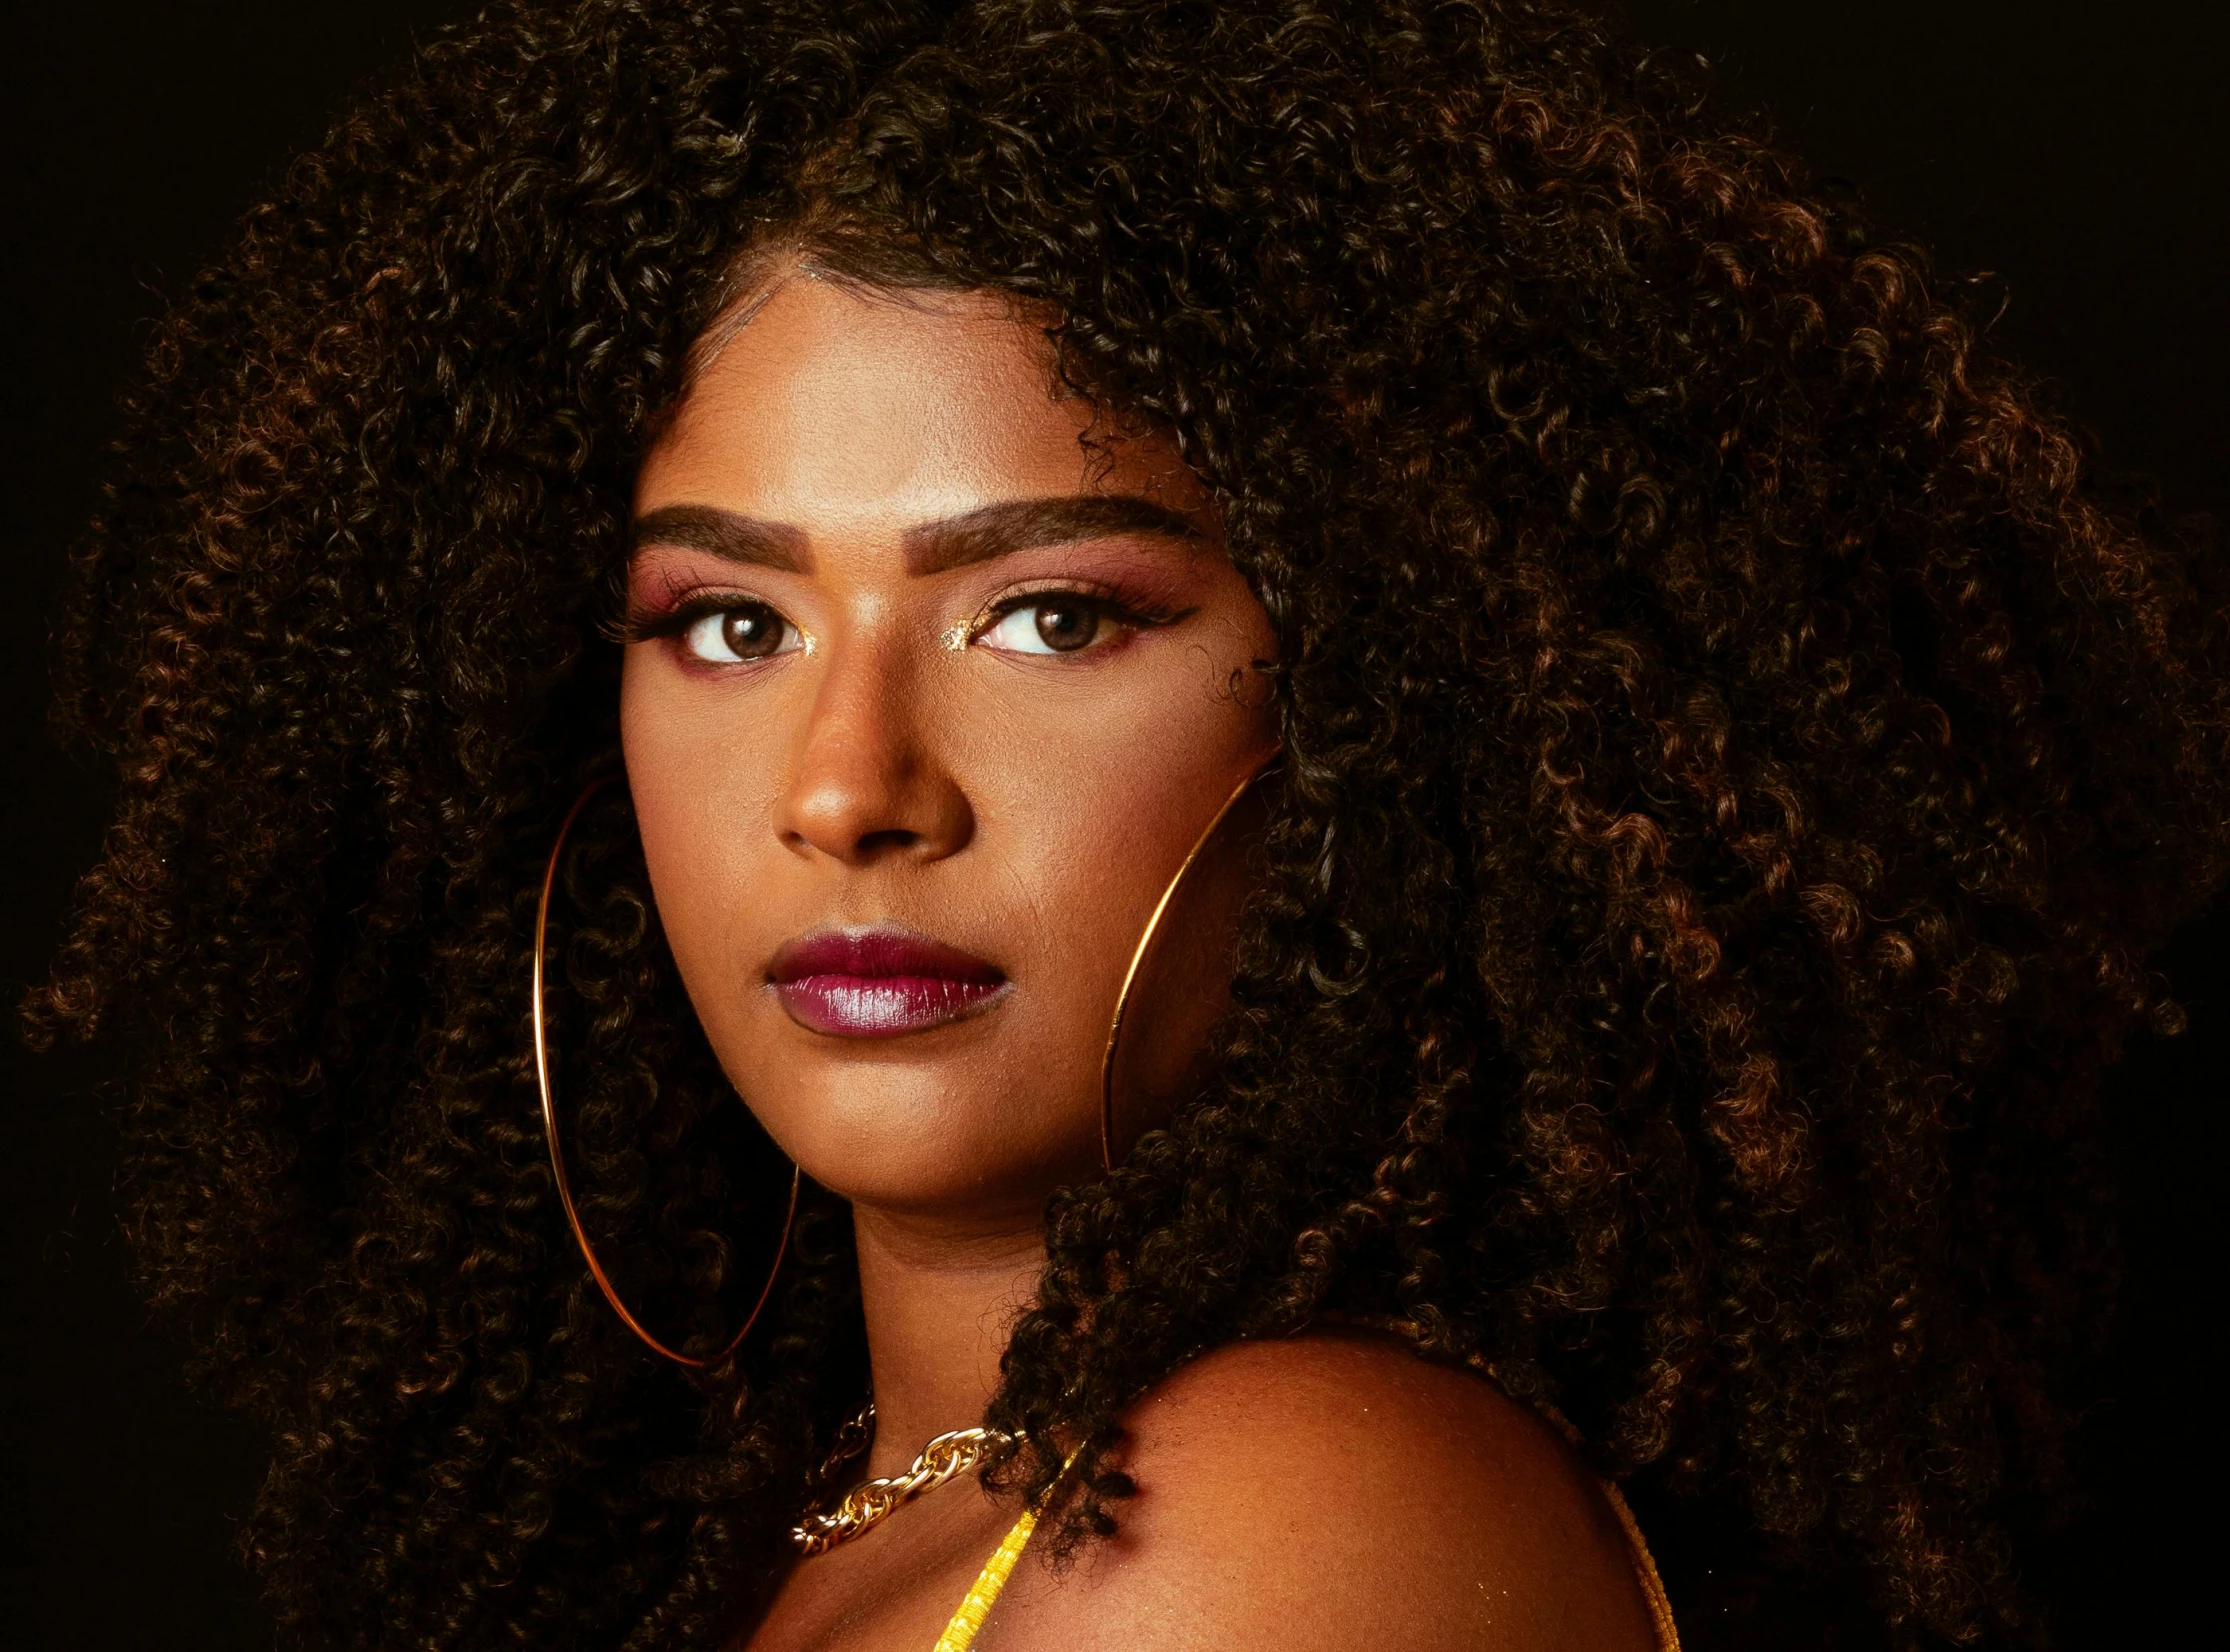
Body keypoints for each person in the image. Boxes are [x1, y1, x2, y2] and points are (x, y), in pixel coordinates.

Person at [29, 1, 2229, 1647]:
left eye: (1049, 613)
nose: (843, 787)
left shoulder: (1280, 1520)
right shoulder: (837, 1525)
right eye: (722, 624)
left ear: (1377, 703)